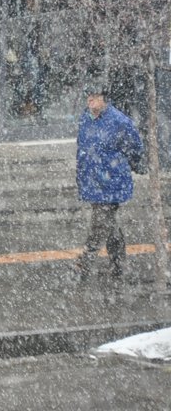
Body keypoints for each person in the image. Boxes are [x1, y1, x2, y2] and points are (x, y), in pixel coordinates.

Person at [74, 83, 145, 281]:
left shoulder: (119, 122)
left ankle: (85, 262)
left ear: (105, 99)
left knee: (100, 222)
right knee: (109, 224)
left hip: (111, 183)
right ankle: (119, 264)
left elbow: (135, 148)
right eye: (88, 96)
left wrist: (131, 166)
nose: (90, 100)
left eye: (95, 96)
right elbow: (82, 147)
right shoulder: (85, 119)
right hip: (92, 180)